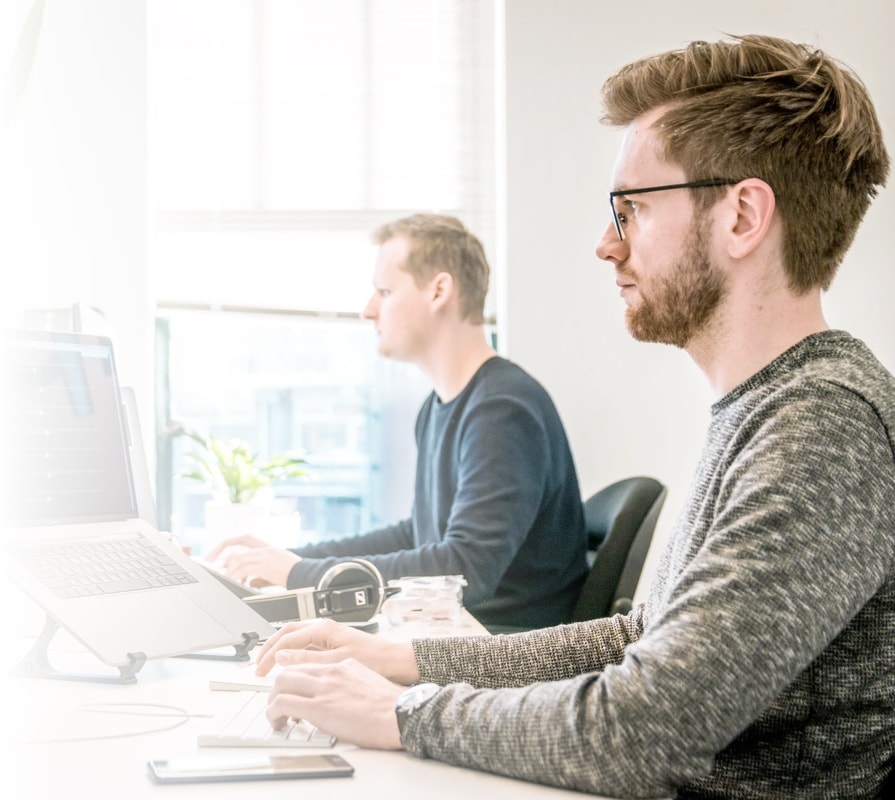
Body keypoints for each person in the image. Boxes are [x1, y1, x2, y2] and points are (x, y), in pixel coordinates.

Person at [250, 35, 895, 799]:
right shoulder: (767, 407)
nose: (604, 244)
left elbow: (641, 731)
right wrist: (404, 660)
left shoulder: (821, 425)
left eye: (629, 211)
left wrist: (402, 712)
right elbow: (641, 638)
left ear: (741, 216)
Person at [209, 213, 589, 632]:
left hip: (500, 652)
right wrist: (293, 560)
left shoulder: (502, 410)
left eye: (385, 291)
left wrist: (299, 574)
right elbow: (419, 535)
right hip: (455, 634)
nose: (368, 310)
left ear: (439, 291)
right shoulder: (441, 407)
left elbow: (464, 570)